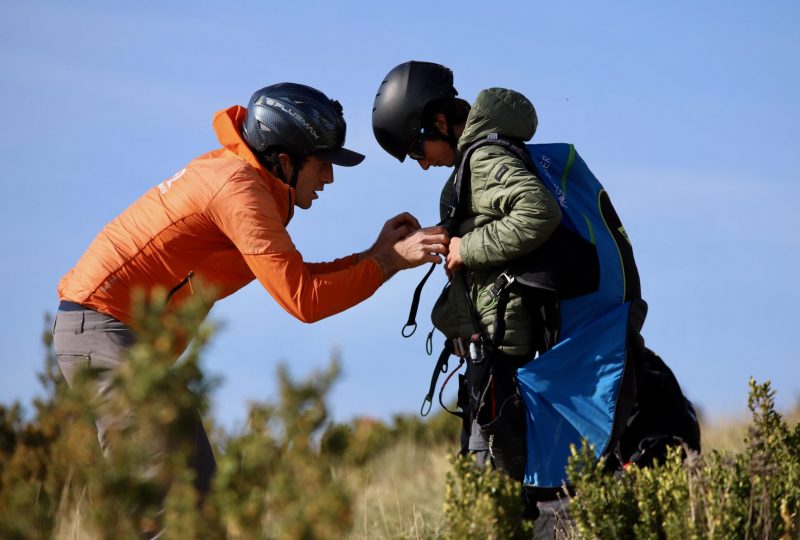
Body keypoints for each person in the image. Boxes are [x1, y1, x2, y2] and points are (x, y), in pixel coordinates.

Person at [53, 82, 449, 499]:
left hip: (112, 334)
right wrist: (389, 262)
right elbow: (304, 300)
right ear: (283, 160)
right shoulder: (239, 191)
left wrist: (375, 255)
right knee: (164, 506)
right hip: (102, 330)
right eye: (322, 163)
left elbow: (297, 277)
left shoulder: (245, 182)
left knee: (198, 500)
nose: (330, 177)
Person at [373, 61, 561, 482]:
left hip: (506, 361)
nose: (422, 164)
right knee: (490, 488)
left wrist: (468, 246)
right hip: (497, 355)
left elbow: (537, 211)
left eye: (417, 149)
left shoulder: (483, 157)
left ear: (439, 122)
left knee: (492, 493)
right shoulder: (481, 158)